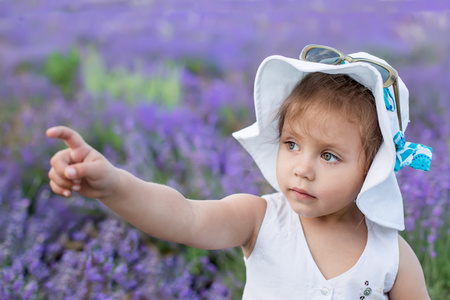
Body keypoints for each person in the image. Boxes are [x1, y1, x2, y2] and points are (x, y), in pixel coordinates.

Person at [47, 45, 432, 299]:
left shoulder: (391, 255)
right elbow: (185, 216)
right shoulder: (260, 218)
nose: (302, 169)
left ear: (374, 168)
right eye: (292, 144)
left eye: (329, 156)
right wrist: (113, 184)